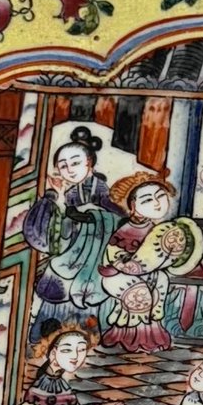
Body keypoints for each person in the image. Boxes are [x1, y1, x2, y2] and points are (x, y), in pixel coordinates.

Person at [22, 125, 119, 340]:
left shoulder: (100, 189)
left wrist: (89, 215)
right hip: (69, 254)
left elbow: (113, 216)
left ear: (89, 163)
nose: (69, 170)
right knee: (56, 287)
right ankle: (48, 335)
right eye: (63, 166)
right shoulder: (66, 191)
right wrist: (57, 198)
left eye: (75, 163)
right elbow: (59, 225)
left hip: (91, 258)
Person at [99, 170, 202, 353]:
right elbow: (114, 255)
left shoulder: (159, 229)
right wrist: (125, 264)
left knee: (161, 281)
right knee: (141, 295)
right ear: (132, 206)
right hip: (119, 275)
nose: (157, 203)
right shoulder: (126, 230)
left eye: (160, 196)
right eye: (147, 200)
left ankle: (152, 338)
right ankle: (130, 339)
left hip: (147, 273)